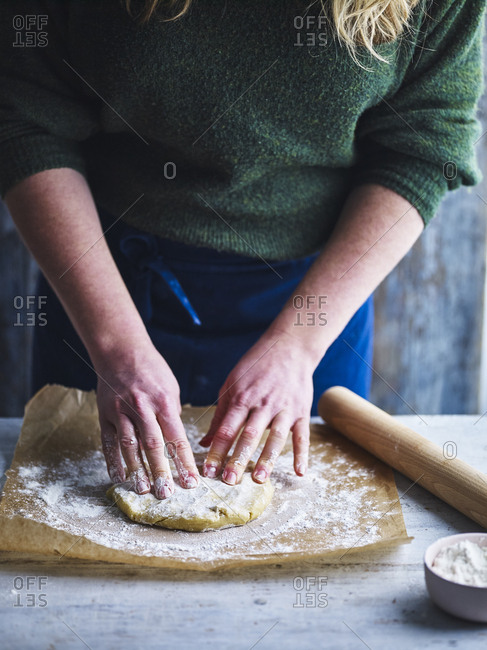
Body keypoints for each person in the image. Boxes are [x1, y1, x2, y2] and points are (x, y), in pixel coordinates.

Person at [0, 0, 484, 499]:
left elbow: (424, 148)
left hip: (316, 297)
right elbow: (24, 119)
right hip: (101, 279)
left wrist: (297, 346)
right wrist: (115, 344)